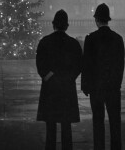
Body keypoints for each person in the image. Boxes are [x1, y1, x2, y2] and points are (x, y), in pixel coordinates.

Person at [36, 9, 82, 150]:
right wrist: (68, 78)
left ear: (53, 24)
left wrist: (50, 77)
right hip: (67, 88)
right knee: (66, 126)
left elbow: (40, 65)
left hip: (50, 89)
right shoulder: (73, 44)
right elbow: (78, 65)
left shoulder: (45, 42)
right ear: (67, 26)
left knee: (51, 127)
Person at [81, 3, 125, 150]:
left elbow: (86, 64)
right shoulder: (118, 39)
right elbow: (120, 65)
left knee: (98, 123)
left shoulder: (91, 39)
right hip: (112, 87)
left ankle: (99, 147)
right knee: (115, 123)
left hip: (96, 88)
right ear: (108, 19)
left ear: (97, 20)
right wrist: (117, 84)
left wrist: (85, 86)